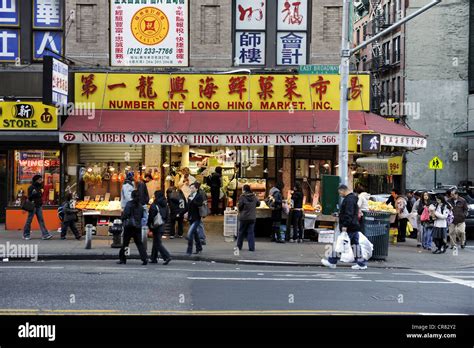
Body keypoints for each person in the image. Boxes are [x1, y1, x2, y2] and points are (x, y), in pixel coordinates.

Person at [321, 184, 367, 270]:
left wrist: (345, 225)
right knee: (355, 245)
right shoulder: (353, 198)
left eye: (340, 193)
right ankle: (361, 263)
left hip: (349, 226)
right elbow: (350, 213)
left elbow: (348, 214)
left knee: (340, 244)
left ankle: (332, 261)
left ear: (343, 190)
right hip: (354, 225)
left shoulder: (349, 200)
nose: (340, 195)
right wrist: (339, 214)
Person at [118, 190, 148, 265]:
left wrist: (122, 218)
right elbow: (142, 216)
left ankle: (123, 259)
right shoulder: (140, 206)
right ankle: (144, 258)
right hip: (137, 227)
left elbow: (125, 214)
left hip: (129, 227)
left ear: (132, 196)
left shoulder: (129, 204)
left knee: (126, 243)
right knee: (139, 243)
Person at [23, 175, 53, 240]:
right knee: (29, 220)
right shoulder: (31, 187)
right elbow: (29, 198)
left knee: (41, 220)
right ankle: (26, 235)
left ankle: (45, 235)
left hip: (39, 206)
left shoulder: (40, 187)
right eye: (39, 180)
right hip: (32, 206)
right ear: (36, 180)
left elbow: (40, 196)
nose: (41, 181)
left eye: (41, 179)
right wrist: (33, 194)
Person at [148, 191, 172, 265]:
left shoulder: (154, 205)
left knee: (157, 243)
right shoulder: (166, 205)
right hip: (162, 225)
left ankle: (167, 256)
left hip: (156, 225)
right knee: (156, 242)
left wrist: (149, 226)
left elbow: (151, 217)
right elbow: (168, 216)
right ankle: (153, 258)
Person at [237, 184, 260, 251]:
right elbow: (258, 204)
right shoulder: (254, 196)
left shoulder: (242, 197)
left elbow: (240, 206)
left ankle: (239, 246)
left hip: (244, 217)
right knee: (251, 233)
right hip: (252, 217)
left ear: (244, 189)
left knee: (241, 232)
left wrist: (240, 210)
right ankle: (251, 248)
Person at [185, 182, 204, 256]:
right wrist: (182, 213)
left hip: (196, 218)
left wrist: (192, 200)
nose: (191, 189)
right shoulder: (190, 196)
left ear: (196, 188)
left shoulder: (199, 196)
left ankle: (189, 251)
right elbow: (188, 207)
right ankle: (199, 248)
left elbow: (199, 204)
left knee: (190, 234)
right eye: (191, 188)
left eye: (193, 188)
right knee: (195, 234)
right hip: (190, 217)